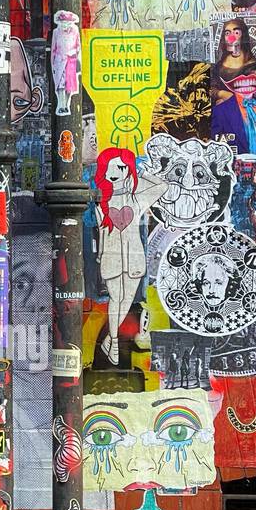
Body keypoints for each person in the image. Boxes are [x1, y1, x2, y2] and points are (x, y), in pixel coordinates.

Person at [95, 147, 147, 366]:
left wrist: (141, 172)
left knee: (126, 300)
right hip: (112, 256)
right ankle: (114, 342)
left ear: (129, 170)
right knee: (116, 299)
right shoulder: (100, 198)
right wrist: (99, 255)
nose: (114, 171)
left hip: (134, 256)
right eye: (110, 166)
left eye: (121, 166)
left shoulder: (137, 199)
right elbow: (101, 232)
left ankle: (109, 338)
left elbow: (161, 186)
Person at [208, 18, 256, 157]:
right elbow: (211, 89)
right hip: (230, 116)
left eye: (236, 32)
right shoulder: (217, 66)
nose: (231, 36)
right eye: (227, 33)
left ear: (243, 35)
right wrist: (225, 95)